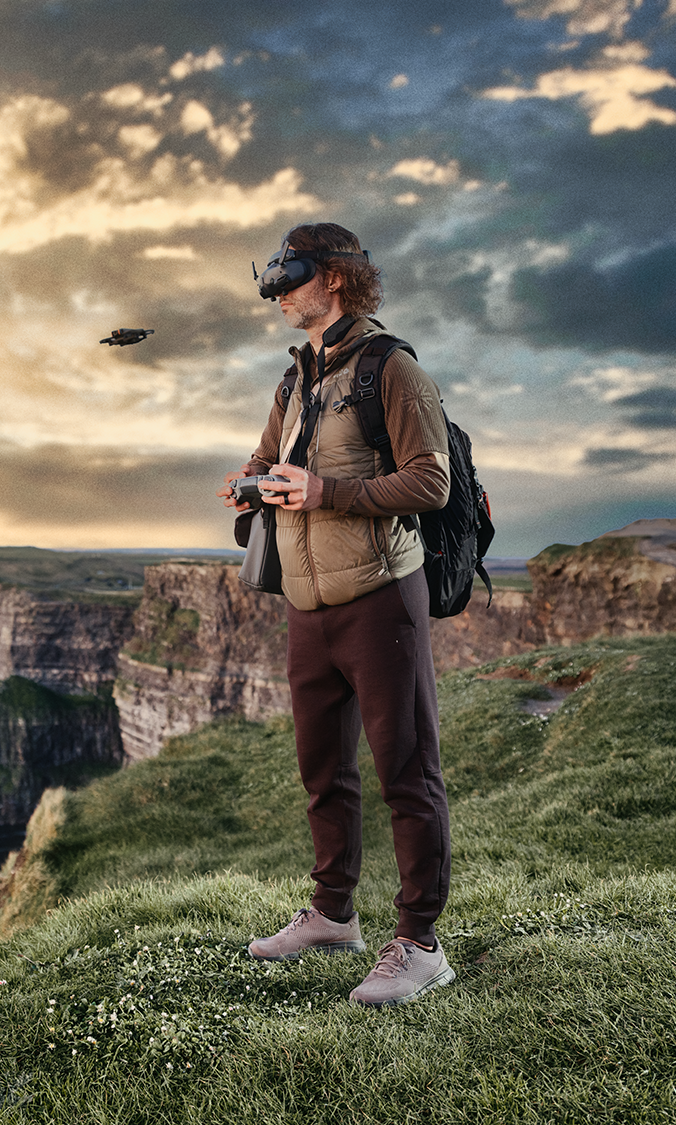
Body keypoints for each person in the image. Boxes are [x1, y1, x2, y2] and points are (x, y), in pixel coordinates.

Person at [216, 222, 455, 1007]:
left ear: (339, 280)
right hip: (306, 605)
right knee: (323, 771)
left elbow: (431, 483)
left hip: (381, 599)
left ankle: (420, 942)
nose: (280, 294)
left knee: (406, 773)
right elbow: (266, 456)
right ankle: (332, 914)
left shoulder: (393, 368)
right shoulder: (294, 379)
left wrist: (328, 494)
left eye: (292, 277)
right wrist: (251, 481)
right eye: (275, 281)